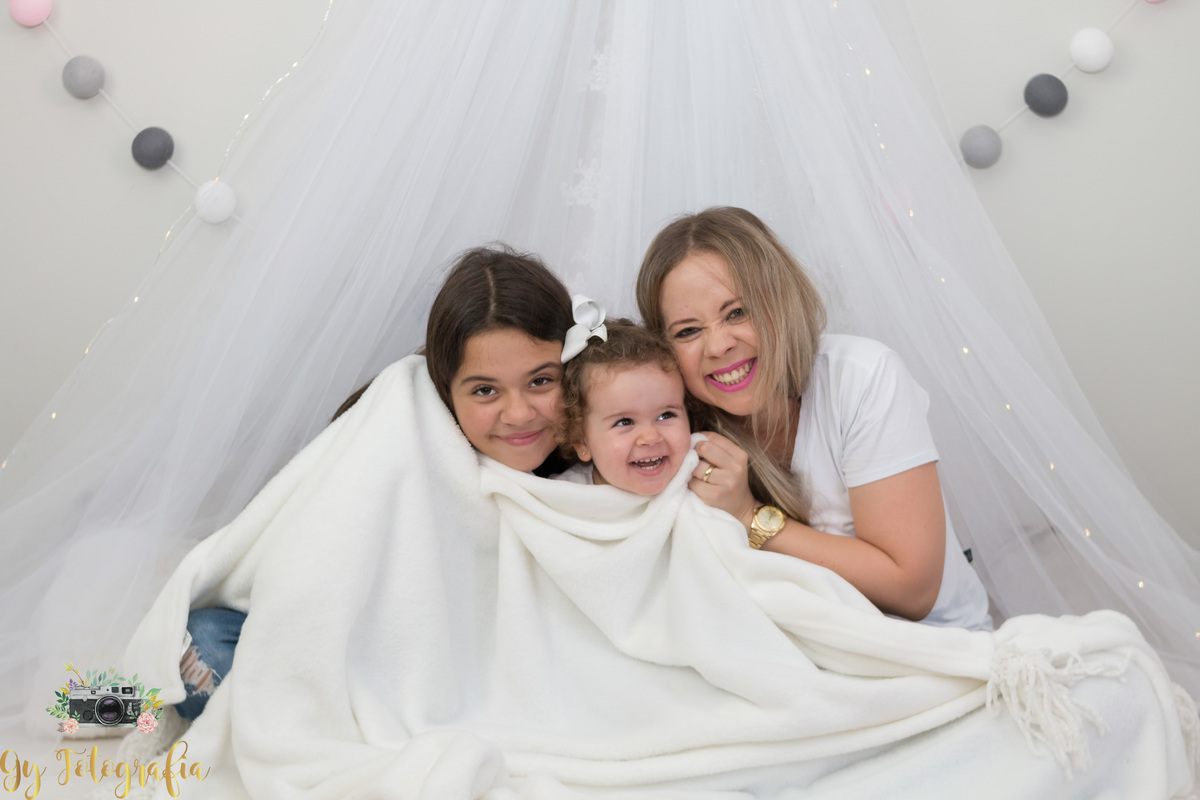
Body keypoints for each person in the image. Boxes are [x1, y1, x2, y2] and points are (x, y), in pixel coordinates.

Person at [164, 244, 574, 726]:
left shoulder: (600, 438)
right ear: (446, 385)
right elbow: (317, 567)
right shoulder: (397, 431)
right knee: (197, 649)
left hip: (458, 671)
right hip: (325, 638)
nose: (519, 413)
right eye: (485, 390)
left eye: (541, 382)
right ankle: (107, 706)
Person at [637, 206, 991, 631]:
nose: (718, 345)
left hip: (930, 639)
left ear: (780, 301)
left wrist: (750, 516)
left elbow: (912, 591)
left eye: (737, 312)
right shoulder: (671, 430)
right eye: (688, 331)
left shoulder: (862, 377)